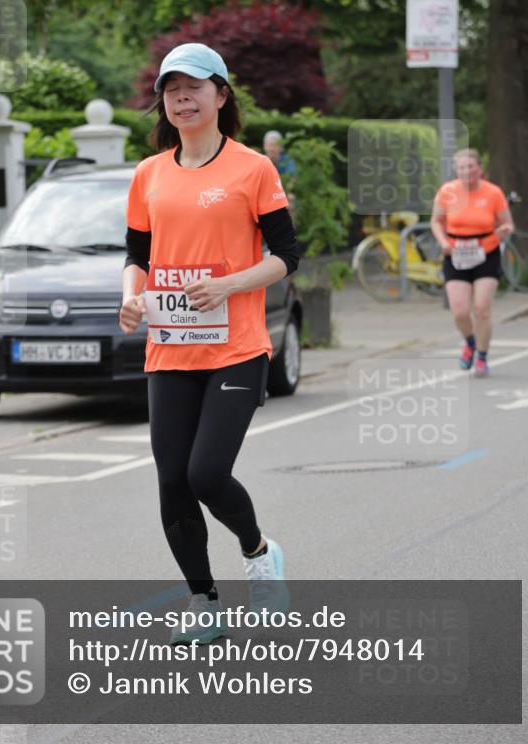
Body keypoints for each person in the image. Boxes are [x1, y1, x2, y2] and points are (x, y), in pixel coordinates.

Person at [119, 43, 299, 645]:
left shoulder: (253, 169)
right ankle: (205, 600)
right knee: (172, 479)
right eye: (171, 89)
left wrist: (226, 284)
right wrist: (130, 294)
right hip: (169, 350)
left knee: (205, 473)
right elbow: (138, 257)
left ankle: (258, 552)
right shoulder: (149, 174)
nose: (181, 98)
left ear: (222, 95)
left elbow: (285, 257)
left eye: (193, 86)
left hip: (237, 348)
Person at [430, 148, 514, 378]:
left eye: (471, 166)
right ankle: (470, 342)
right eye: (462, 167)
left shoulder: (493, 193)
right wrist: (442, 240)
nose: (467, 171)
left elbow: (507, 223)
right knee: (459, 311)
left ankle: (483, 357)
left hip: (486, 252)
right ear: (456, 170)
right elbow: (436, 221)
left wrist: (505, 230)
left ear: (479, 168)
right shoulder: (447, 192)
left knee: (482, 308)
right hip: (455, 253)